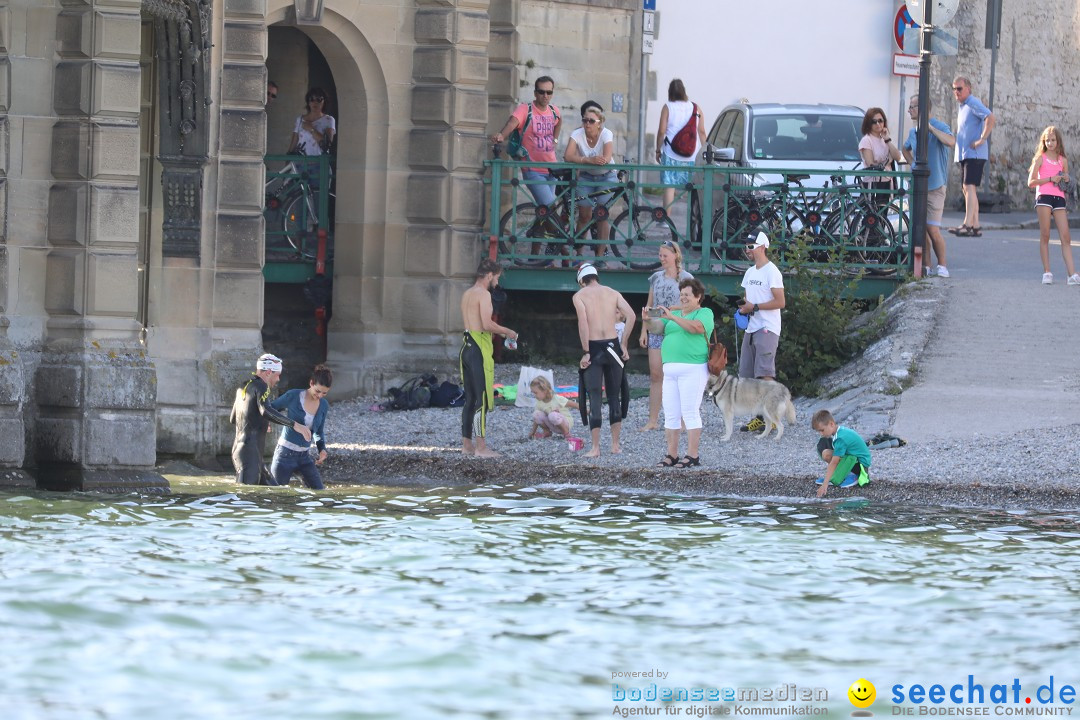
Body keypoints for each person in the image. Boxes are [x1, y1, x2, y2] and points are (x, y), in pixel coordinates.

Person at [490, 76, 562, 261]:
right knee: (550, 208)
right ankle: (562, 245)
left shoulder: (554, 111)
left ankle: (534, 257)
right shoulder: (525, 109)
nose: (545, 95)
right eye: (541, 92)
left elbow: (559, 121)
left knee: (543, 212)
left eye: (549, 92)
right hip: (532, 169)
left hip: (551, 169)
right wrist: (501, 135)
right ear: (535, 92)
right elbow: (512, 123)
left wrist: (554, 140)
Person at [573, 262, 636, 458]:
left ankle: (595, 448)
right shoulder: (613, 292)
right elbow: (632, 316)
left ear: (582, 280)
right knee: (614, 395)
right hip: (613, 346)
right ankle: (615, 445)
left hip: (593, 346)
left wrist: (585, 351)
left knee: (595, 396)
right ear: (596, 277)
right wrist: (624, 343)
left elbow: (583, 324)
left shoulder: (579, 296)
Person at [460, 259, 519, 457]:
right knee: (481, 399)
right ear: (489, 275)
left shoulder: (467, 293)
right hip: (478, 349)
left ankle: (466, 445)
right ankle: (481, 447)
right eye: (497, 277)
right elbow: (486, 324)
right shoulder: (484, 295)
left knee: (469, 399)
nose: (497, 281)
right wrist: (507, 332)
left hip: (466, 347)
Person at [654, 279, 713, 469]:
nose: (683, 297)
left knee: (690, 411)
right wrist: (647, 319)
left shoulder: (704, 312)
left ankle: (692, 455)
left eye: (687, 294)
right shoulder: (674, 314)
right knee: (671, 413)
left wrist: (673, 317)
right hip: (670, 370)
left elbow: (696, 328)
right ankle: (672, 455)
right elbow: (656, 329)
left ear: (698, 297)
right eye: (682, 294)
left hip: (693, 368)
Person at [229, 353, 312, 486]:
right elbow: (265, 410)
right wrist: (295, 425)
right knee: (245, 498)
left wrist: (261, 422)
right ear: (268, 372)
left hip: (244, 451)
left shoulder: (244, 386)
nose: (278, 379)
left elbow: (233, 418)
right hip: (249, 454)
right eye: (277, 374)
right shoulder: (262, 386)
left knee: (273, 493)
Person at [637, 240, 693, 431]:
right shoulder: (655, 278)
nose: (661, 259)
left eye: (665, 256)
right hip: (657, 326)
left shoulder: (686, 278)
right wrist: (644, 329)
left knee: (678, 374)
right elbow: (649, 306)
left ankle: (683, 420)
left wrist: (669, 311)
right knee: (655, 374)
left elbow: (691, 304)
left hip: (677, 328)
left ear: (675, 255)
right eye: (660, 255)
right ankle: (652, 420)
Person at [737, 231, 786, 433]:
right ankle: (758, 417)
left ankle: (773, 418)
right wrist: (743, 309)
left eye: (751, 246)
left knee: (765, 375)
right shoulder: (750, 273)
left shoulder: (772, 271)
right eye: (746, 246)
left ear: (762, 246)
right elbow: (749, 300)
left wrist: (754, 307)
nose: (747, 250)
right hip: (751, 327)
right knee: (748, 377)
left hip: (767, 328)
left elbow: (780, 302)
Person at [903, 95, 956, 278]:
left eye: (912, 106)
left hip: (935, 186)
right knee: (921, 228)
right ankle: (926, 266)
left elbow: (951, 142)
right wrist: (912, 165)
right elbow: (905, 149)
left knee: (933, 229)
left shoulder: (939, 126)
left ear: (923, 108)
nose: (909, 110)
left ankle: (942, 265)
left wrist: (931, 129)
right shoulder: (913, 132)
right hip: (918, 186)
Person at [1026, 126, 1078, 285]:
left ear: (1058, 141)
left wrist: (1067, 180)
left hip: (1059, 198)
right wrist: (1049, 179)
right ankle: (1047, 272)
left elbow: (1066, 183)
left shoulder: (1063, 160)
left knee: (1066, 236)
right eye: (1047, 140)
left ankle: (1072, 275)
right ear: (1044, 141)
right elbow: (1031, 182)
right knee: (1045, 235)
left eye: (1053, 140)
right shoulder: (1040, 158)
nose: (1050, 142)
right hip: (1043, 197)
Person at [565, 105, 616, 264]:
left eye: (591, 121)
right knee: (584, 215)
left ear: (599, 123)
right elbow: (567, 155)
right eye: (585, 120)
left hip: (606, 176)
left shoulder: (606, 134)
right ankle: (578, 255)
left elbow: (606, 158)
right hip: (586, 176)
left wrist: (584, 160)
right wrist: (588, 160)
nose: (587, 124)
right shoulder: (577, 134)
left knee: (602, 214)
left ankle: (600, 257)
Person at [268, 364, 333, 490]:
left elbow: (318, 431)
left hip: (304, 457)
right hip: (284, 455)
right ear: (311, 383)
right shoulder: (293, 395)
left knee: (320, 493)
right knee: (276, 495)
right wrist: (267, 422)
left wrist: (322, 449)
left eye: (324, 393)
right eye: (317, 391)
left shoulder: (324, 405)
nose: (319, 395)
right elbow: (269, 409)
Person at [949, 76, 995, 237]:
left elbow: (990, 117)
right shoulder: (963, 105)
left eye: (959, 88)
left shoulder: (973, 102)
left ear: (968, 88)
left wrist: (982, 138)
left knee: (969, 187)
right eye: (954, 89)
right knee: (967, 188)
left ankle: (967, 224)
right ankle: (975, 225)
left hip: (974, 154)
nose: (956, 92)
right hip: (965, 154)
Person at [655, 79, 705, 210]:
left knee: (669, 187)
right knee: (692, 188)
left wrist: (657, 150)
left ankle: (667, 221)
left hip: (671, 153)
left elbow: (661, 131)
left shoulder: (668, 107)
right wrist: (705, 151)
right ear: (684, 91)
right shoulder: (696, 107)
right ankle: (691, 223)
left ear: (670, 92)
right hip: (691, 155)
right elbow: (702, 131)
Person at [812, 410, 871, 498]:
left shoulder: (840, 438)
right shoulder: (839, 431)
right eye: (819, 431)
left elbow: (834, 462)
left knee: (829, 455)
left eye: (822, 430)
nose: (821, 433)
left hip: (861, 466)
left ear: (831, 424)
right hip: (852, 457)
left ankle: (853, 475)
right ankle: (843, 473)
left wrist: (825, 484)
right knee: (825, 452)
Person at [858, 107, 904, 207]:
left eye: (880, 120)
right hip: (872, 183)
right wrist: (883, 165)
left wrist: (887, 139)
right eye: (874, 122)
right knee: (872, 216)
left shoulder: (885, 139)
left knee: (883, 215)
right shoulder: (867, 140)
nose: (878, 124)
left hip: (886, 182)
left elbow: (898, 157)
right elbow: (870, 163)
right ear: (868, 124)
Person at [287, 87, 336, 157]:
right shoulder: (300, 119)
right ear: (308, 102)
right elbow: (293, 145)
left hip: (319, 164)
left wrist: (311, 129)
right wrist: (287, 162)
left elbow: (327, 145)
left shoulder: (328, 120)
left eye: (319, 99)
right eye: (312, 99)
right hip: (300, 164)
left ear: (324, 101)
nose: (315, 102)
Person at [527, 376, 578, 440]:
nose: (534, 395)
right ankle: (547, 431)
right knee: (536, 414)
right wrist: (533, 431)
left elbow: (574, 404)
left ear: (544, 391)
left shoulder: (557, 398)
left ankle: (567, 433)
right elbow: (536, 420)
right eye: (533, 393)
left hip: (565, 424)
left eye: (535, 393)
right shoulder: (539, 402)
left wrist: (587, 411)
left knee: (553, 415)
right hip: (553, 425)